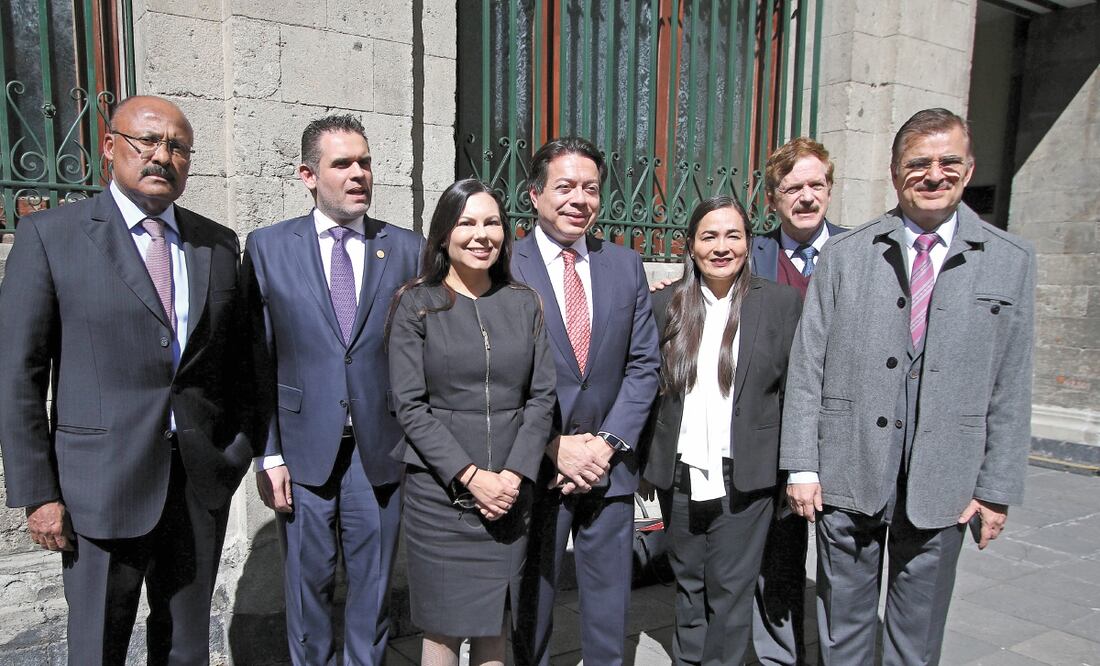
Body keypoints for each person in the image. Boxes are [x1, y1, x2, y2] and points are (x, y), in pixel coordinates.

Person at [0, 95, 254, 664]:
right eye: (147, 142)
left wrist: (233, 453)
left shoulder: (216, 243)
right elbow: (18, 373)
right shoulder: (50, 236)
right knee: (97, 646)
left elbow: (236, 362)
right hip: (98, 489)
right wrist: (39, 493)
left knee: (187, 646)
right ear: (111, 147)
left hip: (196, 484)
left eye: (177, 147)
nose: (162, 155)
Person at [781, 108, 1036, 665]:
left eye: (949, 162)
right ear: (896, 173)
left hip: (944, 479)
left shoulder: (1010, 261)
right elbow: (807, 365)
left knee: (916, 637)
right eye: (917, 163)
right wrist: (802, 466)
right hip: (849, 471)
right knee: (841, 626)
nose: (933, 174)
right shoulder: (847, 255)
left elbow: (1012, 385)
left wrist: (996, 489)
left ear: (969, 170)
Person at [242, 114, 423, 665]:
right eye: (342, 163)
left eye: (365, 162)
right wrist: (267, 453)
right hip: (302, 452)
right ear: (307, 175)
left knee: (373, 591)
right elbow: (258, 360)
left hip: (380, 449)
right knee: (307, 589)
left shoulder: (408, 249)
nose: (358, 174)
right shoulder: (269, 247)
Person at [386, 179, 556, 666]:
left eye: (492, 223)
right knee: (441, 631)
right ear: (443, 234)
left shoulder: (524, 303)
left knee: (493, 626)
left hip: (509, 490)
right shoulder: (416, 304)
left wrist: (513, 474)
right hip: (440, 497)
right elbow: (410, 406)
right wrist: (469, 476)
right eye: (467, 223)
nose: (482, 235)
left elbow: (541, 397)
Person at [511, 137, 661, 666]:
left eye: (591, 188)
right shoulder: (507, 264)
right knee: (532, 604)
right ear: (534, 194)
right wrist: (552, 446)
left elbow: (644, 365)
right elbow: (497, 377)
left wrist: (604, 445)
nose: (580, 199)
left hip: (609, 467)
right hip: (534, 467)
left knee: (608, 608)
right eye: (566, 186)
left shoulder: (624, 265)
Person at [642, 195, 802, 665]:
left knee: (731, 592)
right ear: (690, 246)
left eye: (733, 235)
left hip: (744, 477)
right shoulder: (663, 305)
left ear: (749, 243)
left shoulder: (779, 304)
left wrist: (798, 470)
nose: (721, 246)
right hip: (679, 476)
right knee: (688, 584)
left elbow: (796, 392)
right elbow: (647, 387)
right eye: (709, 236)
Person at [752, 137, 844, 665]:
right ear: (773, 199)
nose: (805, 197)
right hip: (773, 434)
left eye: (816, 185)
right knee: (779, 562)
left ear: (829, 190)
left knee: (844, 566)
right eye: (792, 188)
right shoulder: (754, 253)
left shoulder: (860, 251)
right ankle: (779, 658)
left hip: (842, 433)